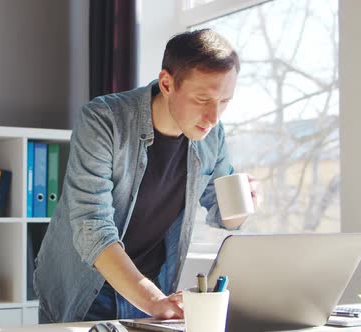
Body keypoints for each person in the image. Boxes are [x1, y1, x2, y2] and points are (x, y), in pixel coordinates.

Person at [34, 28, 258, 323]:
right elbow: (92, 226)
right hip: (85, 287)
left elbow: (221, 212)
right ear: (167, 83)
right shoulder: (103, 119)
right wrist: (154, 302)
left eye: (225, 102)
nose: (214, 117)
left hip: (154, 286)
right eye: (203, 99)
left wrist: (245, 204)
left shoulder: (212, 136)